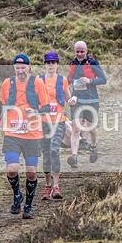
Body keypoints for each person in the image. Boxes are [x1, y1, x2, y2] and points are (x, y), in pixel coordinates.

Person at [0, 54, 51, 219]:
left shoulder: (38, 83)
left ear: (29, 67)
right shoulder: (7, 83)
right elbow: (2, 105)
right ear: (14, 68)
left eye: (23, 67)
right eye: (17, 68)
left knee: (31, 173)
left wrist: (36, 112)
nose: (20, 71)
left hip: (32, 134)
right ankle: (17, 195)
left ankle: (28, 206)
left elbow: (47, 107)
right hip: (12, 133)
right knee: (12, 169)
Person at [38, 51, 75, 201]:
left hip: (59, 121)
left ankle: (57, 187)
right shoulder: (39, 80)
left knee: (54, 150)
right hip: (43, 122)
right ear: (45, 64)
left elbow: (68, 98)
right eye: (48, 62)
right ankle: (47, 187)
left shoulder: (62, 80)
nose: (51, 65)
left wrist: (72, 100)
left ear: (57, 64)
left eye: (53, 62)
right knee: (46, 154)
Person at [67, 41, 107, 168]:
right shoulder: (72, 63)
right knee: (76, 128)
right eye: (77, 51)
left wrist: (90, 81)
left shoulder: (93, 63)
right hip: (77, 101)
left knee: (92, 129)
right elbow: (70, 79)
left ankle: (93, 147)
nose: (79, 54)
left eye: (82, 51)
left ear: (86, 51)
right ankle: (74, 157)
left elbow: (103, 79)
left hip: (91, 100)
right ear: (74, 51)